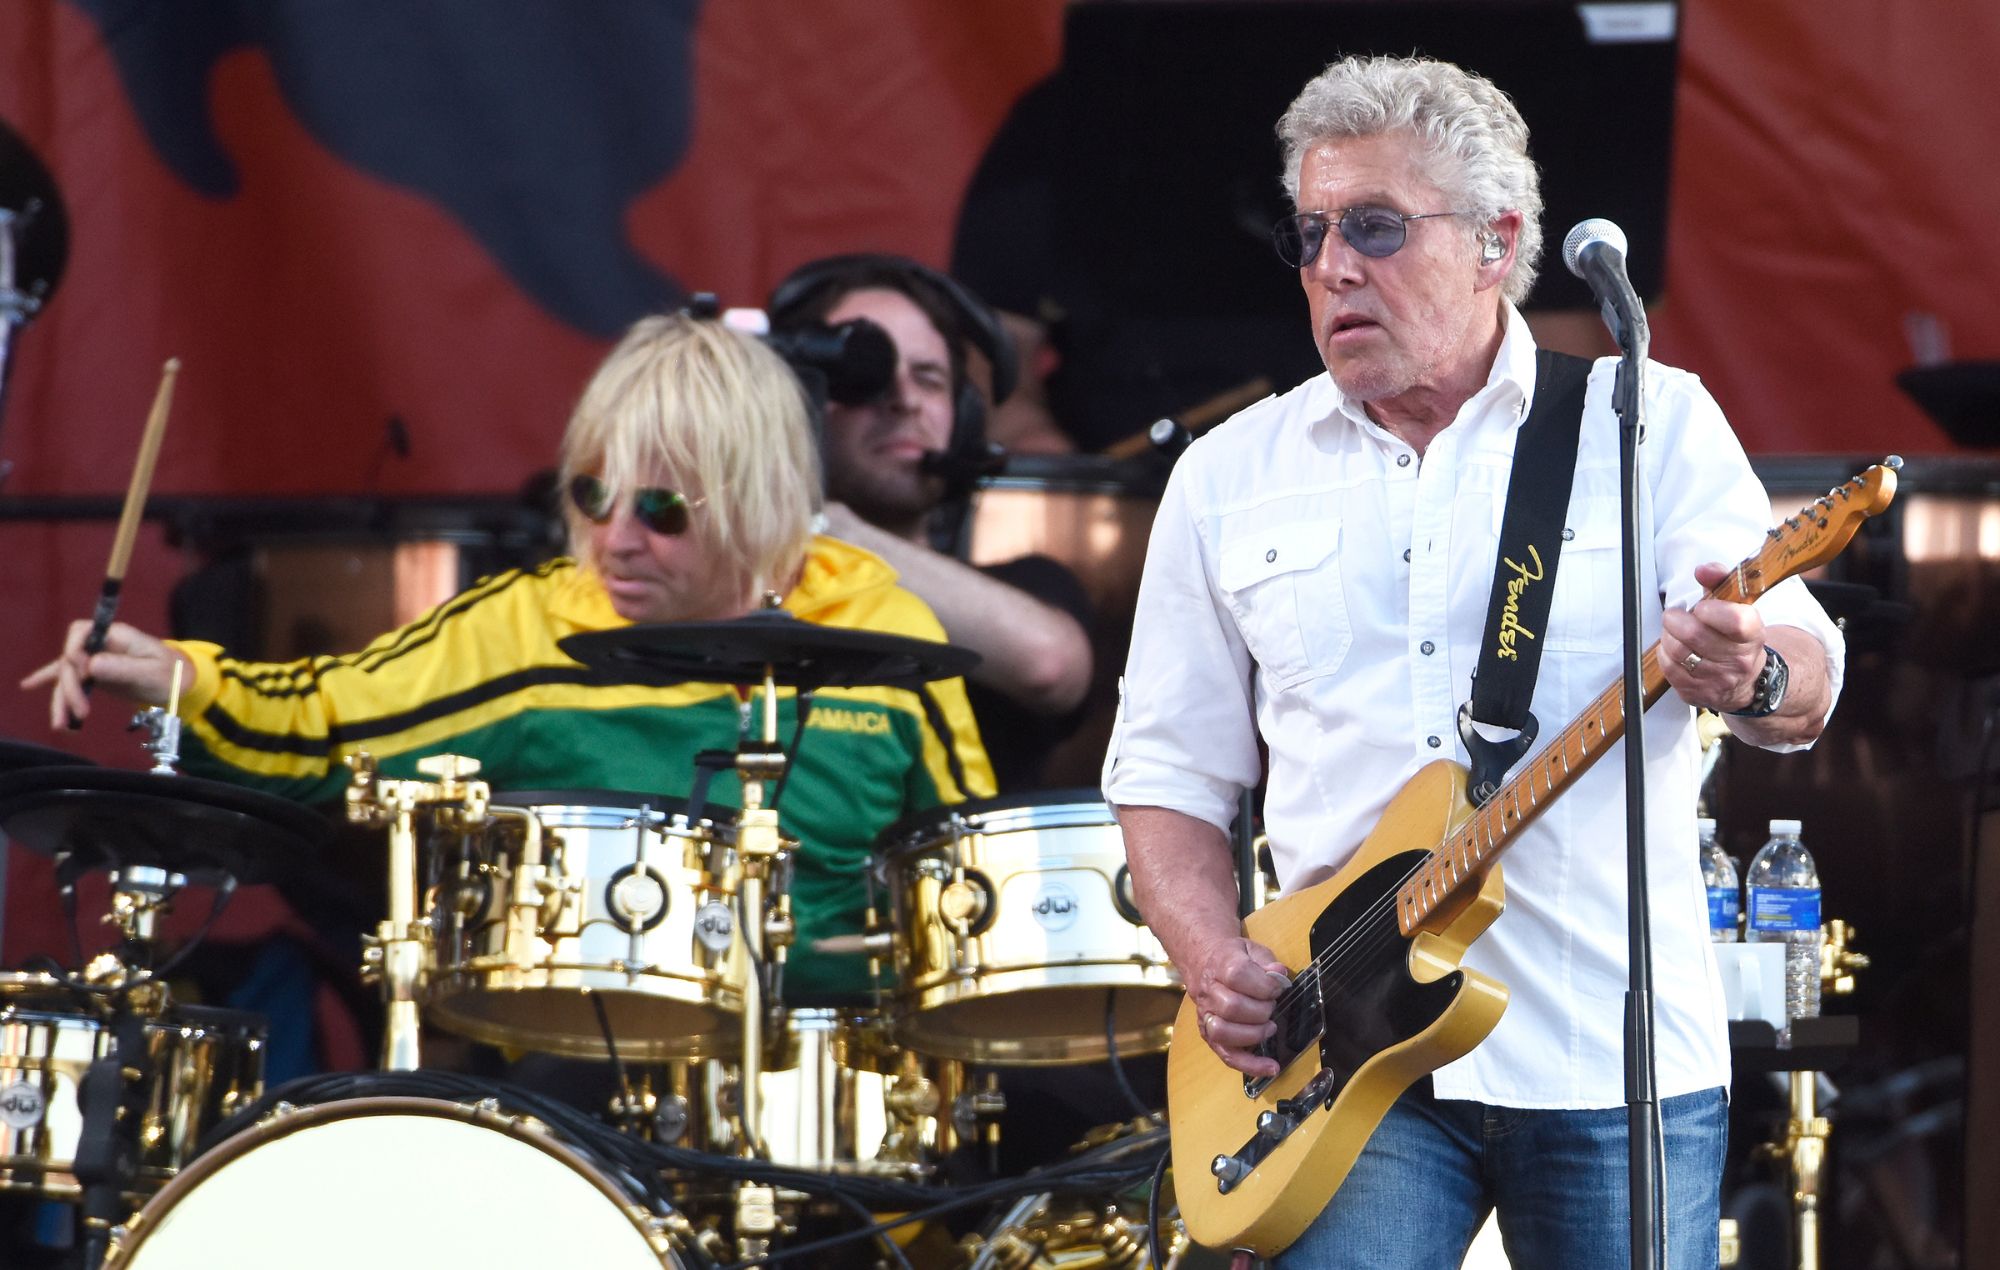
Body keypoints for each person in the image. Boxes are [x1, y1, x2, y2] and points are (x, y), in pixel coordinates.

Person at [1103, 55, 1844, 1268]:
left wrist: (1747, 671)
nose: (1333, 265)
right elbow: (1167, 772)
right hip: (1339, 1057)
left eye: (1377, 228)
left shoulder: (1643, 420)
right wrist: (1208, 956)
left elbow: (1802, 672)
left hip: (1609, 1049)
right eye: (1311, 234)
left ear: (1497, 240)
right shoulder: (1225, 476)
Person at [26, 313, 994, 1002]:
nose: (615, 538)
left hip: (853, 1072)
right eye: (591, 496)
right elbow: (326, 715)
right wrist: (180, 676)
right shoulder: (534, 627)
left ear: (758, 506)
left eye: (661, 510)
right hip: (599, 1059)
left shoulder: (882, 627)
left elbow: (974, 873)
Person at [768, 255, 1094, 792]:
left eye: (928, 377)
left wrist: (823, 526)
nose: (903, 400)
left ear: (964, 415)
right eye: (864, 374)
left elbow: (1050, 663)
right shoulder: (736, 600)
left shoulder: (1030, 585)